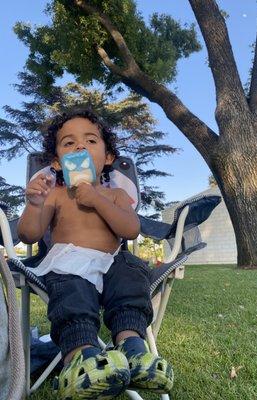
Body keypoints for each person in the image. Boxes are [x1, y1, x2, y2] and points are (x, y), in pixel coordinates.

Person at [17, 109, 173, 400]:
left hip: (113, 262)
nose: (79, 147)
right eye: (68, 143)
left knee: (131, 271)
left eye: (90, 141)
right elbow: (29, 235)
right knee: (71, 296)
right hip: (68, 264)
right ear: (57, 162)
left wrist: (98, 199)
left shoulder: (115, 195)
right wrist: (36, 205)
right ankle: (83, 358)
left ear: (108, 157)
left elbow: (130, 230)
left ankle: (132, 349)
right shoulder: (56, 195)